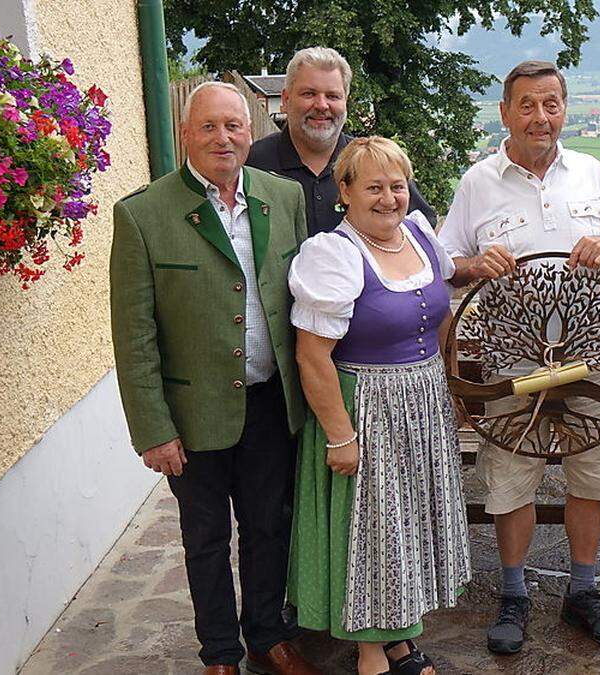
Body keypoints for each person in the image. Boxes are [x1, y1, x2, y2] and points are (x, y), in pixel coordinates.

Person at [110, 81, 320, 675]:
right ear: (185, 134)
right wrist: (153, 429)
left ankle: (268, 637)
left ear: (250, 133)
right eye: (209, 126)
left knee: (268, 527)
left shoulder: (283, 198)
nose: (222, 137)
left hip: (270, 402)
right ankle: (220, 655)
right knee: (204, 540)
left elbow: (303, 301)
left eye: (234, 126)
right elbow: (135, 337)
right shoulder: (142, 214)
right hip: (191, 414)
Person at [438, 60, 600, 654]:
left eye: (551, 104)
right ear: (505, 113)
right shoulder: (477, 182)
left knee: (590, 473)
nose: (540, 117)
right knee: (511, 477)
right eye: (527, 104)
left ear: (565, 111)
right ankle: (515, 593)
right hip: (510, 358)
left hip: (591, 350)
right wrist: (476, 264)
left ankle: (583, 589)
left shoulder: (594, 173)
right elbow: (443, 265)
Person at [287, 136, 471, 675]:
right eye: (374, 187)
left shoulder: (418, 233)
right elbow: (311, 357)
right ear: (344, 192)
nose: (390, 198)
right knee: (373, 531)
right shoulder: (333, 255)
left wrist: (445, 382)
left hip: (423, 401)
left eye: (397, 185)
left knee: (409, 521)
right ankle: (372, 652)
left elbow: (440, 315)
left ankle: (400, 637)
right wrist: (341, 436)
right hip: (367, 407)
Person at [247, 47, 436, 236]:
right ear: (285, 99)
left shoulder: (373, 162)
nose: (321, 105)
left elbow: (423, 231)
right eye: (309, 94)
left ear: (346, 101)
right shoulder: (252, 166)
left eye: (332, 96)